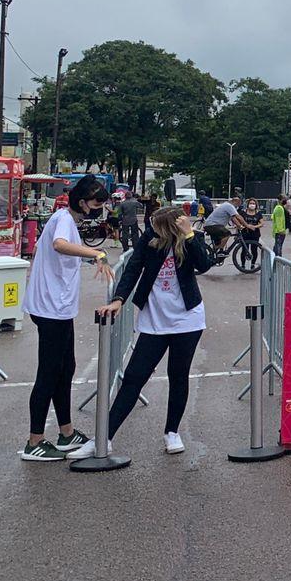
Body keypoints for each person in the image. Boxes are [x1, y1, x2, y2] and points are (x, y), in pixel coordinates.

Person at [97, 207, 214, 455]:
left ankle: (172, 432)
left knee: (178, 374)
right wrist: (119, 298)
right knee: (134, 376)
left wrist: (190, 235)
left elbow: (204, 265)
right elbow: (133, 268)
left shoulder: (191, 238)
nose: (152, 228)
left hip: (187, 318)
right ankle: (104, 436)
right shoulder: (149, 239)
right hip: (154, 319)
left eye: (157, 225)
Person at [22, 174, 114, 461]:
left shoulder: (69, 220)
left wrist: (88, 255)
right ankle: (34, 440)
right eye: (96, 202)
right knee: (49, 372)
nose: (98, 208)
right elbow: (59, 245)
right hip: (50, 308)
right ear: (83, 202)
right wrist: (96, 253)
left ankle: (66, 432)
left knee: (66, 368)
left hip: (58, 308)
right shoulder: (63, 218)